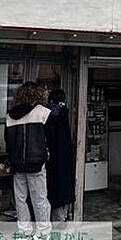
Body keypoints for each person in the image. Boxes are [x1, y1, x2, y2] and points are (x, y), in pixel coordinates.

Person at [4, 81, 53, 240]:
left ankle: (24, 232)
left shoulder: (9, 116)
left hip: (17, 164)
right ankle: (43, 233)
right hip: (36, 163)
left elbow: (8, 141)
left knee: (20, 199)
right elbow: (51, 137)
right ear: (37, 95)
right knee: (40, 199)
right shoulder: (42, 112)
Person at [45, 89, 76, 221]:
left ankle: (57, 218)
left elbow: (49, 135)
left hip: (54, 156)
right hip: (66, 155)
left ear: (51, 100)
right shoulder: (65, 113)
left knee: (55, 187)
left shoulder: (52, 115)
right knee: (65, 186)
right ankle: (65, 215)